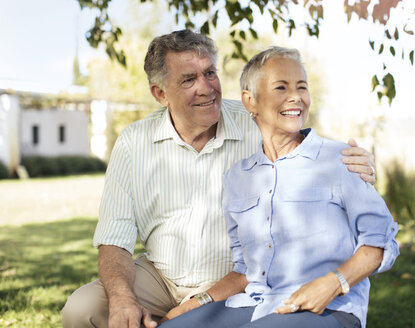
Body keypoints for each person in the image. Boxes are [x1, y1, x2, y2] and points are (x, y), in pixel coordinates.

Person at [61, 31, 378, 328]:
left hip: (235, 279)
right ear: (160, 93)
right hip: (161, 275)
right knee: (83, 309)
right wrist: (122, 298)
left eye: (209, 73)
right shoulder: (133, 142)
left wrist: (356, 163)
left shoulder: (256, 121)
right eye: (188, 79)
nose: (206, 87)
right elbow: (114, 239)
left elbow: (312, 153)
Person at [157, 47, 399, 328]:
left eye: (302, 87)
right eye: (281, 87)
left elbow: (382, 243)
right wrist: (194, 304)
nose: (295, 96)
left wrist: (334, 282)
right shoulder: (237, 177)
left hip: (330, 309)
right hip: (257, 303)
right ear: (250, 101)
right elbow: (244, 271)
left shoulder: (342, 160)